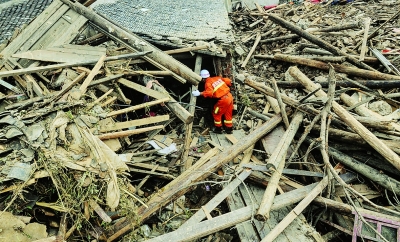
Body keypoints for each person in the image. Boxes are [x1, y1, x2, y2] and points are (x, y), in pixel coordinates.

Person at [192, 69, 234, 134]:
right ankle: (229, 129)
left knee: (216, 113)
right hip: (229, 96)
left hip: (223, 99)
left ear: (203, 79)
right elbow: (228, 81)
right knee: (227, 113)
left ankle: (218, 129)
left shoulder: (207, 83)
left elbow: (209, 93)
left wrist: (199, 93)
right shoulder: (217, 78)